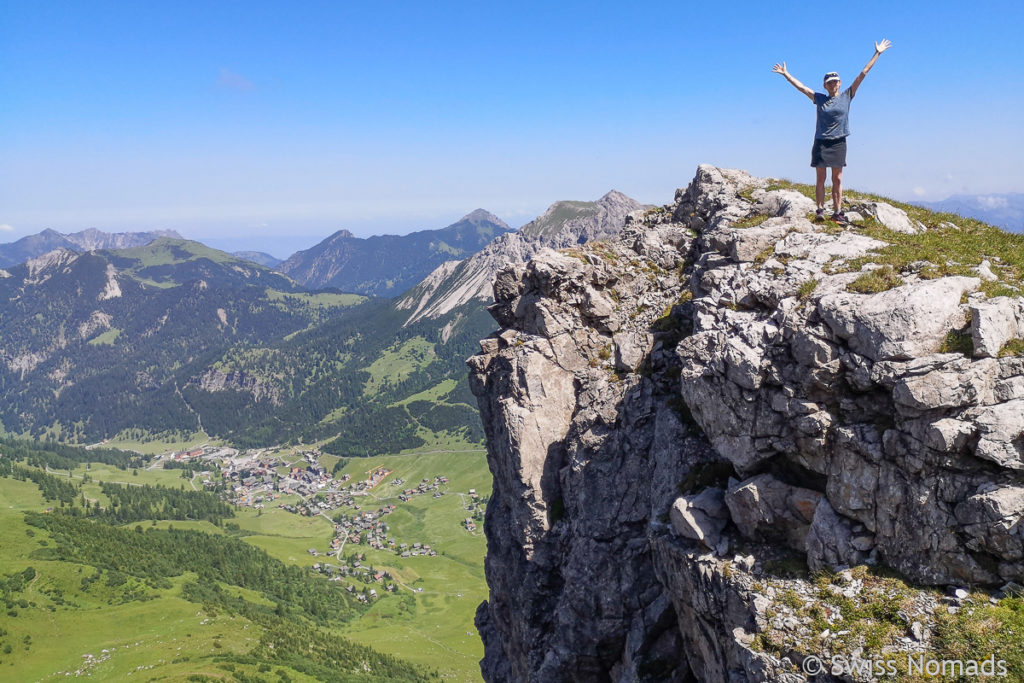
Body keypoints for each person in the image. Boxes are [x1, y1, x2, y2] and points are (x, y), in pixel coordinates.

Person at [772, 40, 892, 223]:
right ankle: (820, 210)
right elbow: (802, 88)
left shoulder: (847, 96)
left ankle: (837, 212)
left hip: (838, 142)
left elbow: (863, 74)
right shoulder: (819, 99)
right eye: (829, 83)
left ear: (839, 83)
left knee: (837, 179)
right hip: (821, 142)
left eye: (835, 82)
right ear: (825, 85)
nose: (833, 84)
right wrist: (786, 74)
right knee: (821, 178)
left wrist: (877, 53)